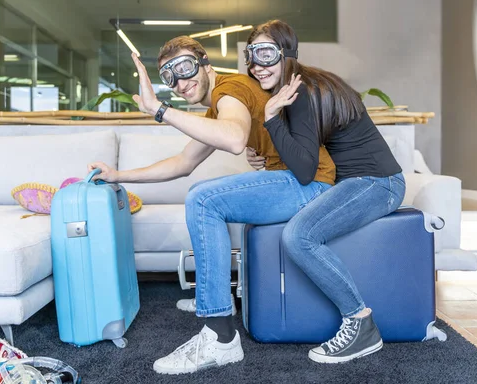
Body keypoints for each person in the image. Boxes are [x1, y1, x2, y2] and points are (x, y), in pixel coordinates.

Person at [88, 35, 336, 375]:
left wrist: (160, 110)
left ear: (206, 64)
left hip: (311, 185)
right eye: (169, 76)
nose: (180, 81)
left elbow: (234, 138)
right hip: (295, 180)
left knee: (204, 199)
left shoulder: (228, 90)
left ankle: (220, 337)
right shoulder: (216, 106)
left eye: (186, 67)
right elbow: (183, 162)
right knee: (203, 194)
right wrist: (119, 174)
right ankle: (214, 299)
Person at [243, 20, 406, 364]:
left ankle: (360, 323)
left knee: (298, 236)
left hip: (377, 183)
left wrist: (271, 119)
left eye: (266, 53)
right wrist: (265, 150)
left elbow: (304, 171)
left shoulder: (302, 93)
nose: (257, 64)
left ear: (287, 54)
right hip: (356, 182)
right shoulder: (302, 85)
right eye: (252, 55)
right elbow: (305, 156)